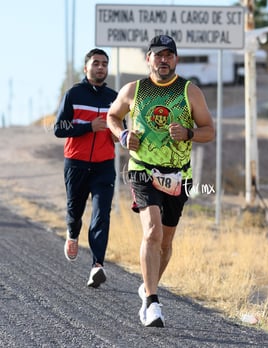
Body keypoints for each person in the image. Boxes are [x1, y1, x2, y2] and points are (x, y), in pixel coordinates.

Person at [107, 35, 215, 327]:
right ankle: (152, 302)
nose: (163, 60)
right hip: (142, 169)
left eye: (169, 55)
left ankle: (148, 285)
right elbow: (112, 116)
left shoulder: (190, 92)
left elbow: (209, 131)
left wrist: (190, 133)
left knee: (166, 243)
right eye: (158, 55)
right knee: (152, 232)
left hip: (178, 174)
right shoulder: (134, 90)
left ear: (176, 60)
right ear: (148, 59)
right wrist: (123, 135)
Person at [54, 48, 117, 288]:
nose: (100, 67)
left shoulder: (115, 97)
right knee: (75, 211)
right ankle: (72, 233)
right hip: (76, 163)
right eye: (96, 63)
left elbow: (121, 129)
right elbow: (60, 128)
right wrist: (88, 127)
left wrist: (119, 136)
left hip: (104, 165)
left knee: (101, 215)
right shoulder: (74, 94)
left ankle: (97, 266)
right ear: (86, 68)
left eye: (104, 63)